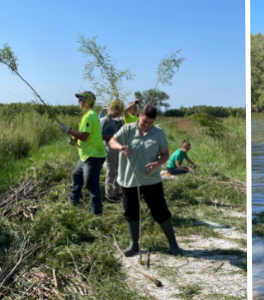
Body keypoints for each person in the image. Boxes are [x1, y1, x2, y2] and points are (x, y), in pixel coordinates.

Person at [109, 104, 181, 256]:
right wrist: (121, 147)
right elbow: (112, 142)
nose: (147, 125)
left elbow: (165, 155)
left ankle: (173, 243)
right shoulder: (127, 129)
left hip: (151, 180)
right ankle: (134, 245)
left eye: (150, 122)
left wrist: (157, 164)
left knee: (160, 211)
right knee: (131, 211)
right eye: (144, 122)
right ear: (139, 117)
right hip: (129, 179)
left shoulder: (158, 133)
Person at [58, 91, 106, 215]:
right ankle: (73, 205)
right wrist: (74, 139)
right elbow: (86, 135)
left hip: (93, 156)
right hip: (86, 156)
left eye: (80, 98)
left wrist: (69, 130)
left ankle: (96, 216)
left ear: (89, 101)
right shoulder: (88, 115)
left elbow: (84, 136)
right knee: (76, 176)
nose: (78, 101)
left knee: (91, 185)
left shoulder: (90, 115)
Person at [100, 101, 123, 203]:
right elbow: (102, 136)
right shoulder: (104, 121)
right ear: (113, 109)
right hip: (109, 147)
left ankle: (116, 191)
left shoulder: (113, 121)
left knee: (118, 170)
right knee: (111, 171)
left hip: (116, 147)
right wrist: (115, 135)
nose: (119, 115)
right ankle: (109, 195)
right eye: (118, 112)